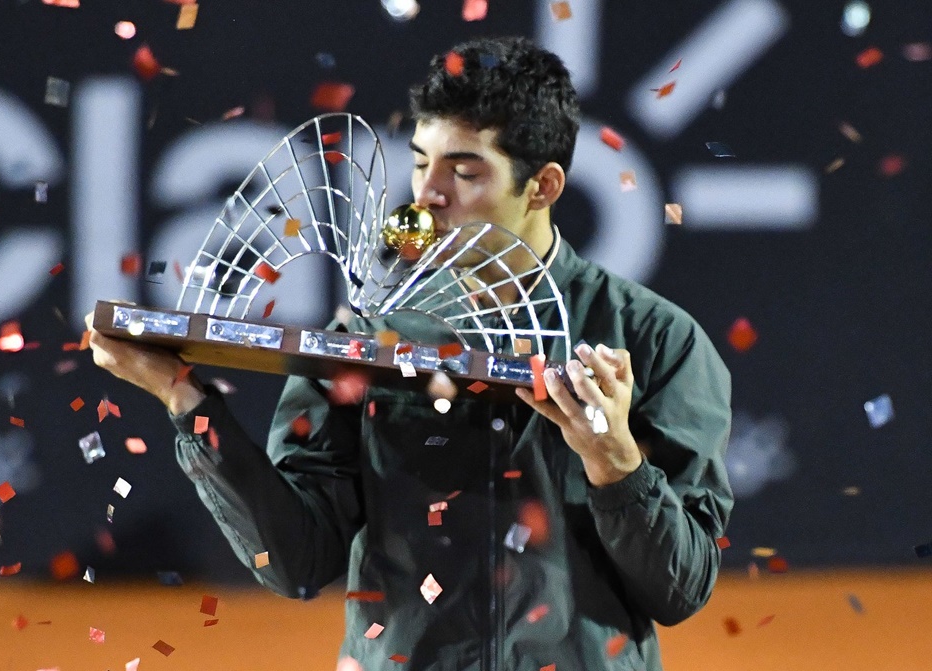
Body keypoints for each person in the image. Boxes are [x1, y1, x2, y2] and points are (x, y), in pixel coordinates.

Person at [87, 36, 732, 671]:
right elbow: (296, 563)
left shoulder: (654, 341)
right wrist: (185, 399)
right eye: (422, 162)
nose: (427, 195)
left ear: (542, 186)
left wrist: (615, 463)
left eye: (465, 172)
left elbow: (680, 590)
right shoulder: (371, 333)